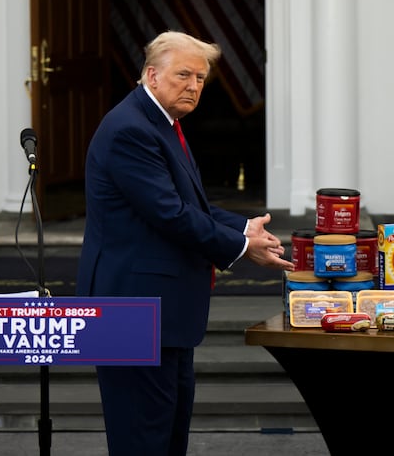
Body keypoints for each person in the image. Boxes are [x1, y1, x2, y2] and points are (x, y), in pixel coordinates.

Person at [76, 30, 295, 455]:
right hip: (133, 312)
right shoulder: (130, 130)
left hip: (162, 314)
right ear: (151, 75)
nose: (194, 86)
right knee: (143, 440)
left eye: (200, 78)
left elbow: (188, 203)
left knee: (168, 434)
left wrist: (244, 227)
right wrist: (239, 246)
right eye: (183, 75)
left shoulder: (161, 121)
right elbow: (169, 214)